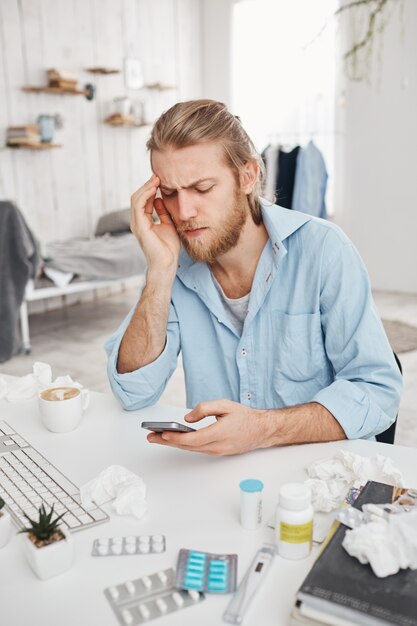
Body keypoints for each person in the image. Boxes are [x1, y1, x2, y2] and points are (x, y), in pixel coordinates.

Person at [106, 99, 402, 456]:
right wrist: (160, 269)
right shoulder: (173, 266)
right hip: (223, 478)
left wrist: (261, 430)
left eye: (201, 189)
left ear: (247, 176)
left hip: (318, 476)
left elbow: (377, 390)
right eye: (169, 193)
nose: (184, 212)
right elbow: (133, 391)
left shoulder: (324, 250)